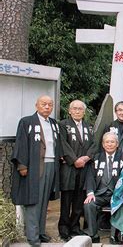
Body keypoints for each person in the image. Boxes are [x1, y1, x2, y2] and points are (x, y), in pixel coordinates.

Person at [10, 95, 63, 246]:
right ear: (36, 105)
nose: (47, 107)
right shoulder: (27, 122)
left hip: (51, 164)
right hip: (34, 166)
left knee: (45, 199)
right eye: (43, 104)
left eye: (50, 105)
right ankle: (32, 236)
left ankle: (40, 232)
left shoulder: (53, 123)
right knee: (33, 200)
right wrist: (22, 166)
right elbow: (21, 143)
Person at [58, 100, 96, 241]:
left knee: (79, 200)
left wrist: (85, 158)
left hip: (84, 167)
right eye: (74, 108)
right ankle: (64, 229)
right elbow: (62, 144)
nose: (77, 111)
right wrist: (74, 160)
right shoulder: (63, 125)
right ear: (69, 110)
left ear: (84, 112)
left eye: (80, 109)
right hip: (69, 167)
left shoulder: (89, 126)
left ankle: (75, 227)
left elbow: (94, 144)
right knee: (66, 200)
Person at [82, 132, 123, 243]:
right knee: (89, 204)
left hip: (117, 194)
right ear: (102, 144)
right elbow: (90, 177)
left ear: (117, 144)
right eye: (107, 142)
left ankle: (117, 234)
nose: (109, 144)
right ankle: (93, 234)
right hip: (100, 194)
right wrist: (90, 193)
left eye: (112, 142)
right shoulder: (96, 158)